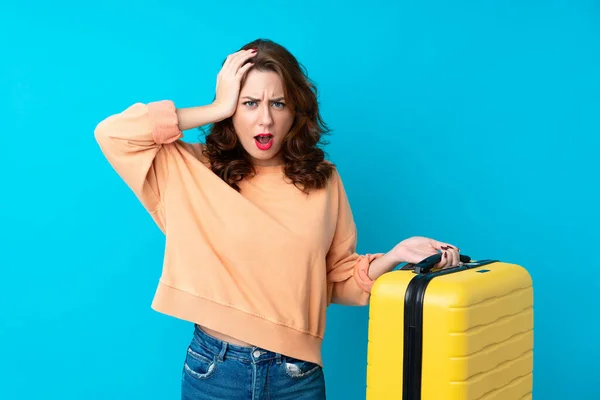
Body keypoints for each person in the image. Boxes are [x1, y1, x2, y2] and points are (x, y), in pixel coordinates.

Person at [94, 38, 461, 400]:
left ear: (295, 111)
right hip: (215, 370)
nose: (265, 119)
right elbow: (112, 134)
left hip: (296, 376)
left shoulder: (323, 179)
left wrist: (395, 255)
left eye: (278, 103)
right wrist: (215, 106)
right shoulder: (190, 168)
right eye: (249, 103)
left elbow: (337, 278)